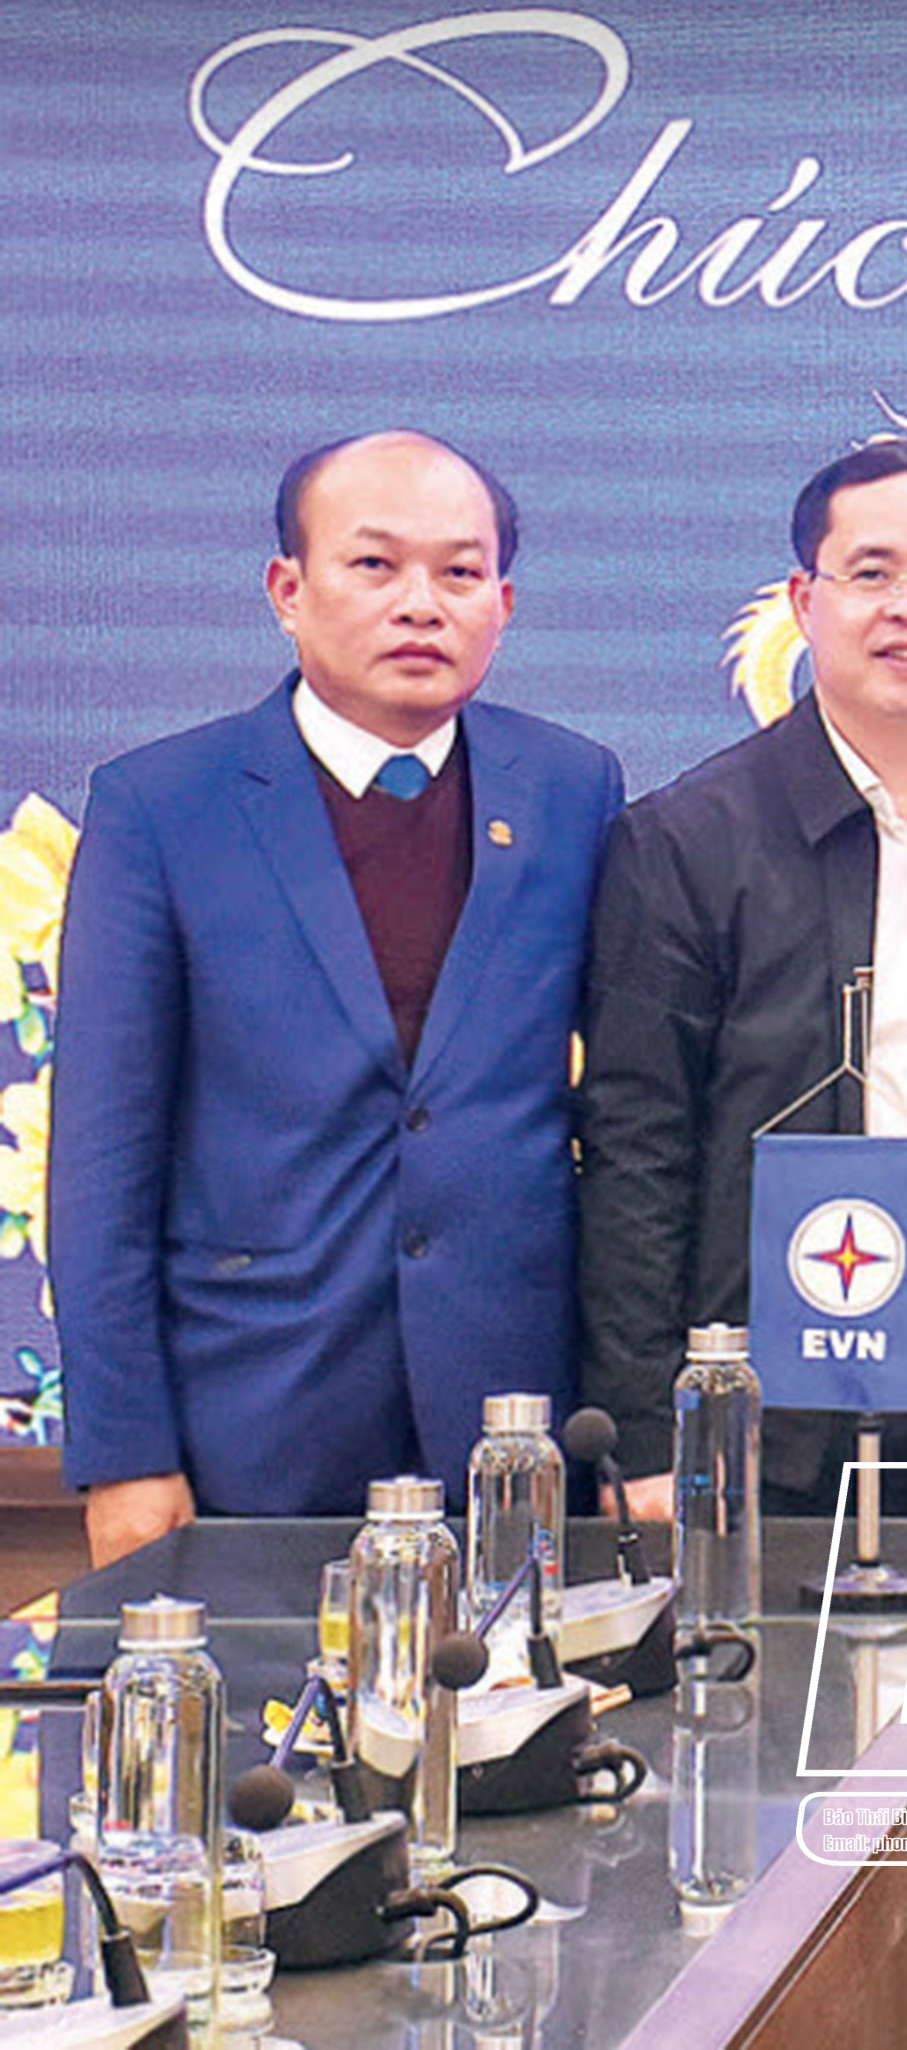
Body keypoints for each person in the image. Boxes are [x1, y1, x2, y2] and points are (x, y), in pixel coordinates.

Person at [52, 431, 622, 1562]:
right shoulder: (162, 805)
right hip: (252, 1421)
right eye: (374, 565)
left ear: (503, 603)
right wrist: (123, 1450)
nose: (421, 604)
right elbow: (104, 1158)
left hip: (514, 1430)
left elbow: (622, 1118)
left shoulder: (572, 787)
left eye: (460, 573)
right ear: (287, 590)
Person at [576, 441, 907, 1518]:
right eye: (872, 573)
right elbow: (636, 1149)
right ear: (803, 601)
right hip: (780, 1415)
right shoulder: (686, 839)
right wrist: (645, 1434)